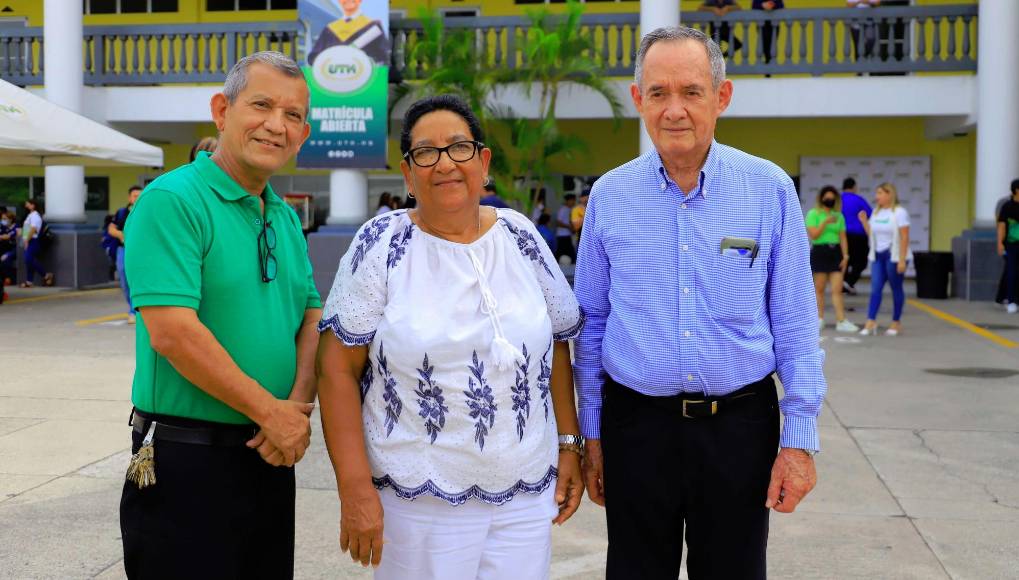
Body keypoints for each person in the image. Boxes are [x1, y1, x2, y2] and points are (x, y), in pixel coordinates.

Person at [573, 26, 823, 579]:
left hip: (739, 429)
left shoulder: (768, 188)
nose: (674, 110)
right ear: (639, 100)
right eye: (658, 93)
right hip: (636, 428)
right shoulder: (611, 195)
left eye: (691, 91)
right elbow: (590, 323)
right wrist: (591, 434)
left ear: (722, 97)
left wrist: (800, 441)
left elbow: (796, 322)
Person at [315, 94, 585, 579]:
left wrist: (570, 445)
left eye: (459, 148)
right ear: (408, 173)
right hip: (416, 498)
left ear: (483, 163)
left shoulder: (521, 236)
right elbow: (335, 368)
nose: (445, 163)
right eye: (426, 152)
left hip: (525, 493)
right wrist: (354, 487)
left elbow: (557, 346)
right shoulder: (382, 245)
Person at [119, 51, 321, 579]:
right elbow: (173, 333)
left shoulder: (281, 213)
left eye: (294, 115)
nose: (277, 125)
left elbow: (310, 314)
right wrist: (271, 412)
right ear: (222, 110)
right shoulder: (173, 200)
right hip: (188, 460)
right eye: (261, 105)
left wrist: (295, 410)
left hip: (269, 455)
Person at [859, 182, 911, 336]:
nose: (877, 197)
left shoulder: (900, 213)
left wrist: (901, 260)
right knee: (875, 288)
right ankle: (870, 321)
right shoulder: (876, 212)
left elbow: (904, 237)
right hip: (877, 255)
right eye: (877, 193)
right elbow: (872, 234)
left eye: (880, 193)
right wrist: (864, 222)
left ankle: (896, 322)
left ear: (890, 194)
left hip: (893, 255)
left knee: (896, 288)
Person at [806, 186, 859, 333]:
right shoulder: (814, 214)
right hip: (819, 251)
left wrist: (845, 255)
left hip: (835, 252)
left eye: (832, 198)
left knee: (837, 289)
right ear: (821, 198)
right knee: (819, 289)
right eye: (827, 198)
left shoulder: (839, 216)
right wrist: (825, 222)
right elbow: (814, 235)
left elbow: (842, 237)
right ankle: (819, 319)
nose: (829, 200)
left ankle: (841, 320)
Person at [308, 0, 390, 66]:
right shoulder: (330, 29)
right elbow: (313, 58)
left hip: (367, 81)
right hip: (334, 80)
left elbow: (384, 58)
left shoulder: (373, 27)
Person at [108, 185, 142, 324]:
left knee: (137, 279)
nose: (137, 198)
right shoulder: (122, 213)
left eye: (140, 195)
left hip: (141, 251)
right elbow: (111, 229)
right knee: (124, 277)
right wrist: (123, 235)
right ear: (129, 197)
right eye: (135, 196)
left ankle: (135, 310)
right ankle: (132, 306)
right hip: (124, 249)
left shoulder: (146, 211)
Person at [840, 176, 872, 295]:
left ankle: (844, 284)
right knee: (861, 261)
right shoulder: (859, 199)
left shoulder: (838, 200)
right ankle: (849, 282)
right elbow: (870, 214)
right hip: (859, 235)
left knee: (845, 260)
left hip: (842, 235)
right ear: (854, 187)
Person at [996, 178, 1019, 314]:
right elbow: (1002, 226)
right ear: (1016, 191)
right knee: (1011, 271)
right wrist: (1000, 243)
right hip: (1011, 244)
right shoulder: (1007, 207)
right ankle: (1010, 301)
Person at [20, 199, 53, 288]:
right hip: (29, 240)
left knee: (28, 259)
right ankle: (29, 281)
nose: (26, 205)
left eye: (28, 204)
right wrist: (24, 238)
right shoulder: (30, 215)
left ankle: (46, 275)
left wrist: (26, 239)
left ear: (33, 205)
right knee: (29, 261)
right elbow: (27, 228)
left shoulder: (35, 216)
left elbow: (33, 229)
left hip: (33, 240)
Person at [752, 0, 784, 67]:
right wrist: (762, 5)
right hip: (762, 25)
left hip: (774, 25)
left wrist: (772, 4)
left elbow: (781, 6)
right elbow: (754, 6)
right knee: (765, 46)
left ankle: (769, 64)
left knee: (772, 45)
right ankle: (768, 63)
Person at [554, 194, 577, 264]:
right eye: (572, 201)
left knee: (567, 251)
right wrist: (568, 227)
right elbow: (558, 222)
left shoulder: (570, 209)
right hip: (562, 235)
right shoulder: (563, 209)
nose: (573, 202)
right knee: (562, 251)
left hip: (567, 234)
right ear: (568, 201)